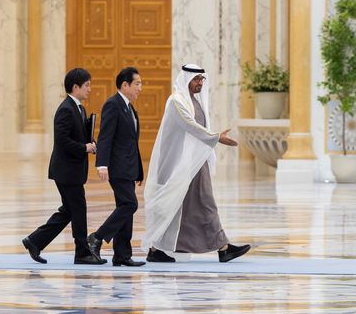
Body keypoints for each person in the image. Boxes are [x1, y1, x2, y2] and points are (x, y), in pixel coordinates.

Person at [143, 63, 250, 263]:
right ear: (186, 80)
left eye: (202, 79)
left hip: (194, 163)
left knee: (196, 204)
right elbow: (189, 126)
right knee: (180, 204)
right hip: (178, 164)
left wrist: (214, 138)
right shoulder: (177, 102)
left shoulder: (193, 101)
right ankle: (157, 248)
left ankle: (220, 246)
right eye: (196, 80)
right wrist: (217, 137)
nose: (200, 83)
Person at [22, 68, 104, 265]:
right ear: (75, 87)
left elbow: (77, 137)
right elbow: (62, 141)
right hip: (66, 171)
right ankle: (82, 253)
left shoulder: (79, 108)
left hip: (72, 170)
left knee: (69, 210)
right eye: (87, 86)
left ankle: (34, 241)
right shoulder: (66, 109)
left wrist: (90, 144)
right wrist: (84, 147)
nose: (90, 89)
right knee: (78, 209)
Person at [87, 67, 146, 267]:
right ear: (124, 85)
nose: (141, 88)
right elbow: (105, 136)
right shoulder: (113, 105)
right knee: (130, 205)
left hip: (128, 168)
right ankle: (96, 237)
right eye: (137, 83)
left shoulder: (129, 107)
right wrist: (102, 164)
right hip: (117, 167)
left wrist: (138, 170)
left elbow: (131, 143)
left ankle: (122, 254)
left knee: (125, 208)